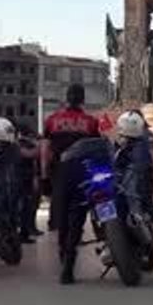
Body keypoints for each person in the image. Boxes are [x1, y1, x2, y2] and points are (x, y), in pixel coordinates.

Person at [41, 83, 100, 285]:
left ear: (66, 98)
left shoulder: (52, 120)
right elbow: (96, 149)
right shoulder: (91, 122)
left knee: (62, 218)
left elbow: (46, 150)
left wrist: (44, 176)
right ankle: (68, 264)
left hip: (61, 173)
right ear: (82, 99)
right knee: (77, 217)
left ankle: (63, 253)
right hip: (82, 173)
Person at [113, 110, 153, 225]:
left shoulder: (145, 138)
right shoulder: (121, 140)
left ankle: (147, 216)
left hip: (137, 176)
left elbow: (152, 158)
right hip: (124, 178)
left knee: (143, 197)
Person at [16, 122, 42, 243]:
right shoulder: (18, 144)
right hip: (22, 179)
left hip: (28, 178)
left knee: (31, 205)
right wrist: (39, 145)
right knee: (25, 206)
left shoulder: (26, 143)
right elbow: (30, 154)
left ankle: (28, 230)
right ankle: (24, 232)